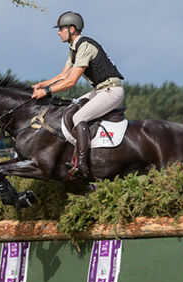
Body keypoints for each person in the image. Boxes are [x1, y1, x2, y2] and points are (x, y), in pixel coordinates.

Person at [31, 11, 124, 178]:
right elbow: (63, 76)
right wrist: (41, 84)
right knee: (70, 108)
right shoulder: (74, 48)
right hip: (100, 90)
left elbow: (70, 82)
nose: (58, 32)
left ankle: (82, 164)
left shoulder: (85, 46)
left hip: (111, 91)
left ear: (72, 29)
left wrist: (46, 91)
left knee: (78, 118)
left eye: (61, 29)